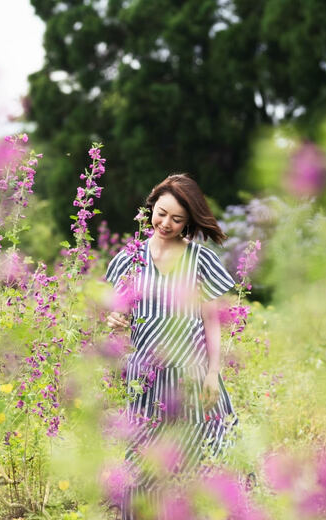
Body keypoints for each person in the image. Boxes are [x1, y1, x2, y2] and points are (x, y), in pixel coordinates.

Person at [105, 173, 237, 518]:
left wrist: (213, 373)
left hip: (192, 379)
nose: (166, 223)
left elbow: (212, 321)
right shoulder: (127, 260)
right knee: (142, 465)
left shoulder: (201, 260)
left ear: (189, 222)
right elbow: (118, 318)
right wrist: (114, 322)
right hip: (144, 382)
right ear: (151, 207)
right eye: (161, 213)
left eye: (177, 219)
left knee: (198, 464)